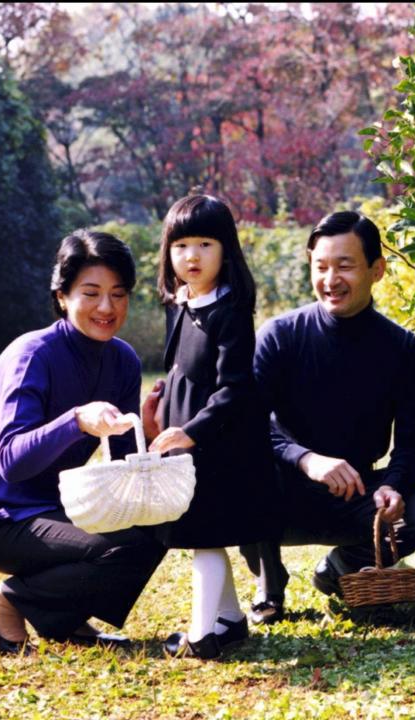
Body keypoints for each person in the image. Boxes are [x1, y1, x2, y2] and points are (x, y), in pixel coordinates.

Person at [0, 230, 167, 656]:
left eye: (118, 294)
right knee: (125, 544)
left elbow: (122, 467)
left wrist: (150, 437)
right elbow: (11, 461)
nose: (107, 307)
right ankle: (7, 600)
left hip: (55, 508)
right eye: (91, 293)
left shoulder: (123, 360)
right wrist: (76, 421)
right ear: (62, 295)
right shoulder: (32, 355)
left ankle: (61, 617)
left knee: (154, 529)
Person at [239, 211, 415, 623]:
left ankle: (340, 569)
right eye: (320, 267)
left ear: (377, 270)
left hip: (359, 494)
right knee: (244, 475)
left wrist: (394, 486)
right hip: (281, 491)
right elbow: (248, 423)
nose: (330, 279)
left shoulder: (402, 348)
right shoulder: (280, 336)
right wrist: (307, 458)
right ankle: (269, 586)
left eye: (345, 266)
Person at [143, 193, 280, 660]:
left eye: (205, 244)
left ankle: (201, 636)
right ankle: (231, 621)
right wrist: (163, 412)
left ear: (226, 250)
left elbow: (235, 389)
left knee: (204, 535)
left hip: (223, 444)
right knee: (201, 534)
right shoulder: (179, 304)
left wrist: (193, 431)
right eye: (181, 246)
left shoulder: (231, 312)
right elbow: (182, 373)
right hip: (188, 438)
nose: (192, 256)